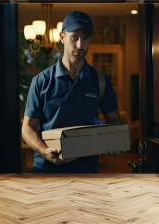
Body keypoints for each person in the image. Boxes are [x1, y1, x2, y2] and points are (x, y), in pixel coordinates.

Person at [21, 11, 119, 173]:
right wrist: (45, 152)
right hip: (46, 170)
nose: (80, 45)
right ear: (62, 37)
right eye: (75, 37)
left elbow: (114, 120)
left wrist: (113, 139)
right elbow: (27, 128)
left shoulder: (100, 81)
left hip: (87, 170)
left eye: (86, 38)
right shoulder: (41, 81)